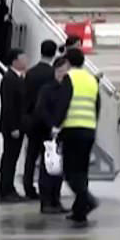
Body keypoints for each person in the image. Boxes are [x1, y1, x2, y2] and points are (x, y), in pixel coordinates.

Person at [52, 47, 100, 228]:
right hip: (88, 130)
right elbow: (97, 107)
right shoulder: (92, 79)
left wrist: (56, 125)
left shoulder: (69, 78)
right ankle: (80, 212)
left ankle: (88, 199)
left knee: (70, 173)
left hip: (72, 130)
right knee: (82, 171)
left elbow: (63, 103)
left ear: (68, 62)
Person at [34, 54, 70, 214]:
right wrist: (52, 126)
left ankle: (56, 199)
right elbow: (41, 110)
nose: (63, 73)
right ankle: (46, 201)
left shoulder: (68, 89)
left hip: (63, 133)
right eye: (61, 70)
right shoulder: (47, 89)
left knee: (59, 169)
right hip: (48, 134)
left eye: (66, 70)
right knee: (47, 168)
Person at [22, 39, 58, 200]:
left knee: (31, 154)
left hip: (32, 119)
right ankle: (46, 188)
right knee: (47, 155)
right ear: (54, 53)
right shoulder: (52, 74)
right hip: (47, 121)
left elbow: (26, 97)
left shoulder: (30, 73)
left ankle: (28, 186)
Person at [0, 48, 28, 203]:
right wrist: (14, 127)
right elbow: (8, 105)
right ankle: (6, 190)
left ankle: (9, 188)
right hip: (12, 127)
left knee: (13, 158)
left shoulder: (18, 78)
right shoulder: (9, 79)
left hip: (18, 125)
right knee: (9, 158)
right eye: (23, 58)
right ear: (15, 61)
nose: (26, 60)